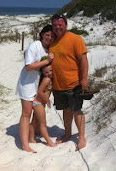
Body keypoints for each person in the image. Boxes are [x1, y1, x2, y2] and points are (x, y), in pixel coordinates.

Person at [50, 14, 89, 150]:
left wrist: (84, 79)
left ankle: (82, 137)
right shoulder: (52, 41)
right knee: (66, 110)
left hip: (74, 83)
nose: (57, 27)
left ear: (66, 25)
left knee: (76, 110)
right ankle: (67, 134)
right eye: (55, 25)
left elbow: (83, 59)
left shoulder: (75, 39)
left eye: (60, 25)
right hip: (58, 85)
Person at [15, 25, 54, 153]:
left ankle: (32, 137)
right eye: (47, 35)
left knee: (37, 114)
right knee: (26, 114)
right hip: (27, 83)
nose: (49, 37)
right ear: (42, 34)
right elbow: (29, 66)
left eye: (52, 36)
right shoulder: (35, 45)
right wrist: (47, 60)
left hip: (37, 84)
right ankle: (25, 145)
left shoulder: (49, 49)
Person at [29, 63, 57, 147]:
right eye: (46, 72)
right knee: (43, 123)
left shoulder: (51, 79)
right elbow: (40, 91)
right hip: (38, 102)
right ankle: (48, 141)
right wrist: (47, 100)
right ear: (43, 73)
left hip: (40, 102)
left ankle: (31, 138)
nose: (49, 73)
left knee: (35, 121)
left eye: (51, 71)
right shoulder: (46, 80)